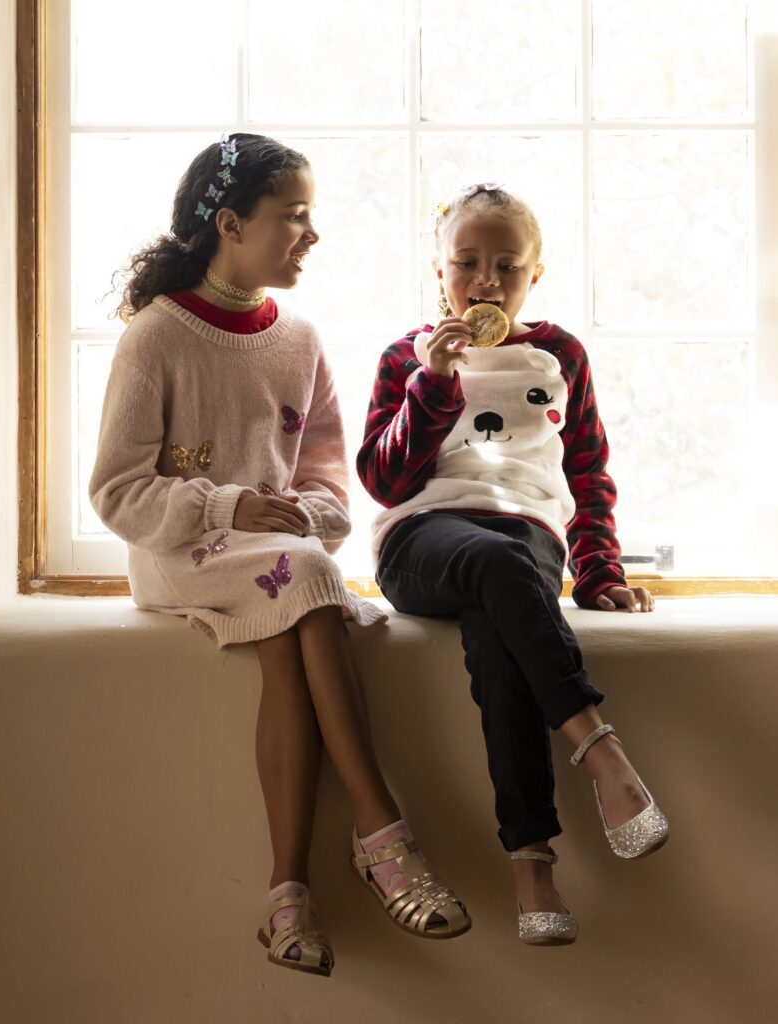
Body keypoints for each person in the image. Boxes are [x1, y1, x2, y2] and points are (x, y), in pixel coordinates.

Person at [89, 133, 471, 978]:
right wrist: (228, 505)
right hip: (179, 552)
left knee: (291, 626)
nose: (311, 233)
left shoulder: (297, 337)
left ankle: (287, 897)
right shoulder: (155, 338)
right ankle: (381, 832)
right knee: (304, 578)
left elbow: (331, 484)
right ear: (229, 222)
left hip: (276, 563)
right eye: (292, 216)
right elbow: (117, 493)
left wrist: (297, 513)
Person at [357, 183, 669, 947]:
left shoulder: (557, 354)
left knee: (500, 643)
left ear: (535, 274)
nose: (485, 282)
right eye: (466, 264)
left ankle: (530, 862)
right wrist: (433, 384)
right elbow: (383, 479)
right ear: (439, 272)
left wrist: (596, 572)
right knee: (494, 566)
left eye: (506, 266)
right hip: (422, 540)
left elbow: (587, 471)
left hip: (525, 534)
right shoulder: (408, 356)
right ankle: (604, 757)